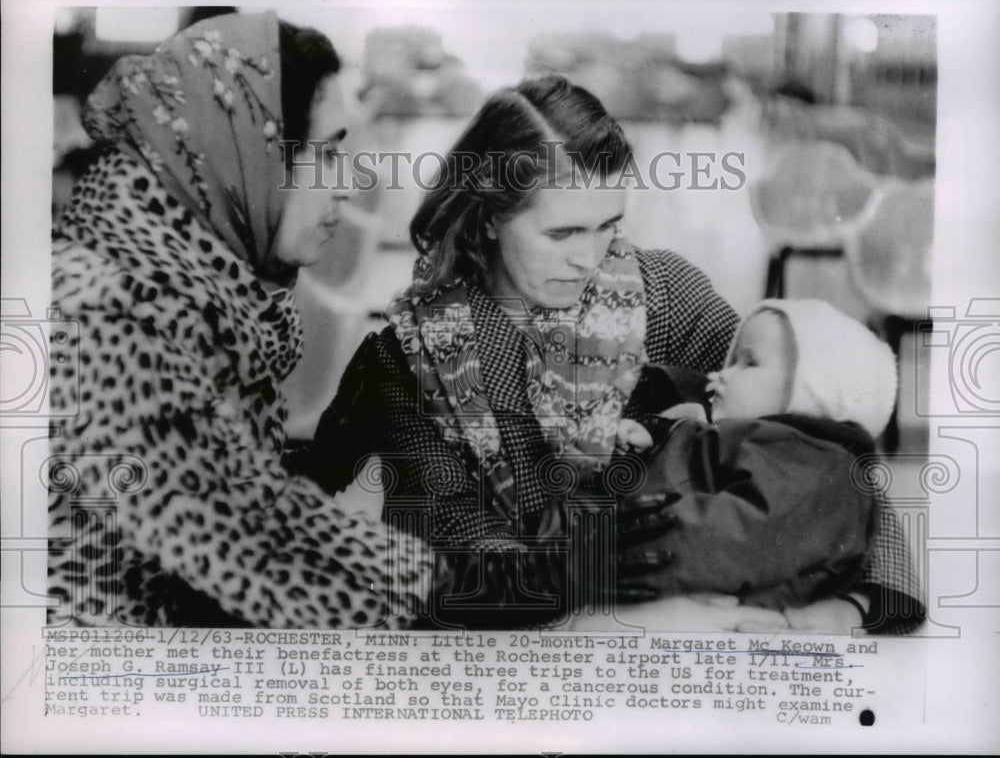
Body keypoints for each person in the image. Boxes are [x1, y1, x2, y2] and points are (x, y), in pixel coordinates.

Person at [310, 74, 924, 634]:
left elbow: (816, 445)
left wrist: (850, 608)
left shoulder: (667, 297)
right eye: (562, 232)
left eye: (608, 224)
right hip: (518, 655)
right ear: (490, 217)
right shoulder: (411, 358)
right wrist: (615, 607)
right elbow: (457, 561)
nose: (589, 256)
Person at [47, 12, 433, 629]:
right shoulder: (108, 312)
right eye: (327, 152)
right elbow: (255, 550)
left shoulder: (199, 295)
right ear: (246, 155)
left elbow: (226, 487)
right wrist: (498, 583)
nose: (347, 184)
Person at [605, 299, 897, 626]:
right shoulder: (753, 441)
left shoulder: (810, 468)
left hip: (655, 580)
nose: (721, 374)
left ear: (816, 390)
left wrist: (599, 555)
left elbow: (721, 540)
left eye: (749, 363)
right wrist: (654, 437)